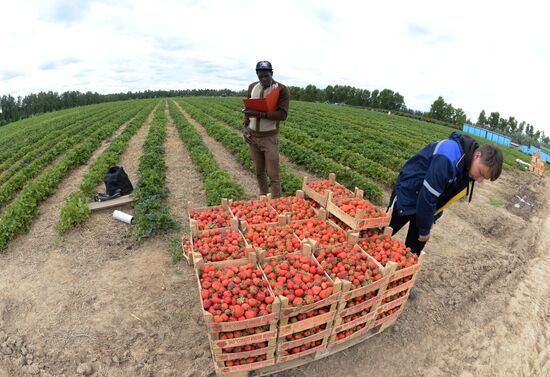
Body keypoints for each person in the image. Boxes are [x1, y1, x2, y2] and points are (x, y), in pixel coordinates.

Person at [388, 132, 503, 298]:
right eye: (481, 173)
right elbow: (428, 193)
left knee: (415, 248)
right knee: (383, 231)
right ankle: (365, 270)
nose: (478, 180)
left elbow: (443, 196)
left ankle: (402, 283)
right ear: (477, 156)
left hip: (428, 203)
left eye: (483, 178)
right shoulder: (450, 153)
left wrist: (429, 221)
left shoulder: (467, 169)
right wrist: (425, 228)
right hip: (409, 192)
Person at [242, 61, 290, 198]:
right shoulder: (252, 87)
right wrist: (245, 127)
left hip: (269, 138)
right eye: (260, 76)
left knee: (273, 173)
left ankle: (276, 202)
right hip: (253, 137)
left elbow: (283, 115)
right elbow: (248, 110)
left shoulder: (281, 89)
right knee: (259, 172)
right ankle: (264, 197)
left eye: (266, 76)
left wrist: (261, 114)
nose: (264, 79)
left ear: (272, 73)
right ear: (257, 74)